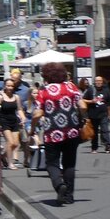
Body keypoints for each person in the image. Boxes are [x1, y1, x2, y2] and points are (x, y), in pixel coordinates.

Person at [33, 62, 90, 207]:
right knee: (69, 163)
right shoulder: (71, 87)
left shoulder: (43, 91)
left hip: (52, 133)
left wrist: (32, 129)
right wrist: (84, 118)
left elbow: (37, 113)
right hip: (72, 132)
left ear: (46, 75)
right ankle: (69, 196)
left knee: (51, 163)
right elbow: (82, 105)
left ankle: (59, 185)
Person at [0, 78, 27, 168]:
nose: (10, 87)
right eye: (8, 85)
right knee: (10, 142)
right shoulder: (1, 96)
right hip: (4, 121)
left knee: (16, 144)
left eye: (12, 86)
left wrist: (23, 117)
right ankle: (10, 163)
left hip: (14, 121)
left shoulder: (16, 97)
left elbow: (19, 109)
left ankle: (2, 156)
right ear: (5, 86)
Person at [83, 75, 110, 154]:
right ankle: (94, 147)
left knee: (105, 130)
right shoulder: (91, 90)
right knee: (94, 132)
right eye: (97, 81)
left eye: (100, 81)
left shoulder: (106, 90)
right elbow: (82, 100)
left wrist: (109, 113)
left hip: (103, 114)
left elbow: (109, 102)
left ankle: (108, 146)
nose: (98, 82)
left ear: (102, 82)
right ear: (94, 82)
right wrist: (91, 101)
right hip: (93, 114)